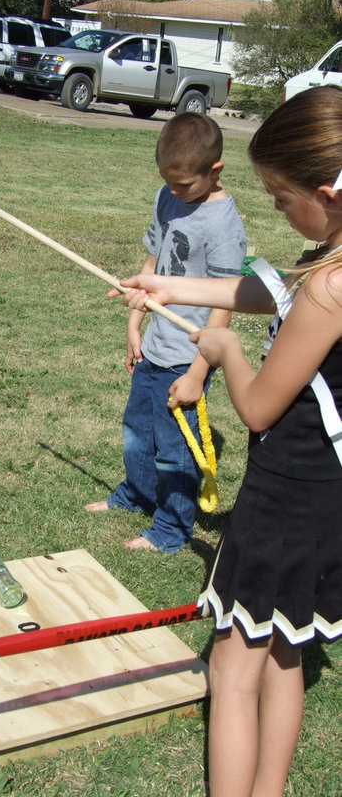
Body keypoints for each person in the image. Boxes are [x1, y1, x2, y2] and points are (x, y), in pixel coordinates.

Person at [110, 85, 342, 797]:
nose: (276, 210)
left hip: (283, 502)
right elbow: (269, 290)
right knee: (285, 652)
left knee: (234, 670)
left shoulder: (330, 288)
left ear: (327, 195)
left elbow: (259, 407)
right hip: (326, 498)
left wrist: (223, 352)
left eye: (281, 199)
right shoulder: (330, 263)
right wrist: (168, 287)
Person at [85, 113, 247, 552]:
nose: (175, 193)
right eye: (168, 184)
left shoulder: (223, 226)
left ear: (215, 170)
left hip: (187, 356)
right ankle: (136, 495)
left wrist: (197, 372)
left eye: (184, 186)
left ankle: (172, 528)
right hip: (155, 346)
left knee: (175, 446)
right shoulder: (167, 197)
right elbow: (153, 262)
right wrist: (133, 323)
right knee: (138, 427)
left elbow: (225, 304)